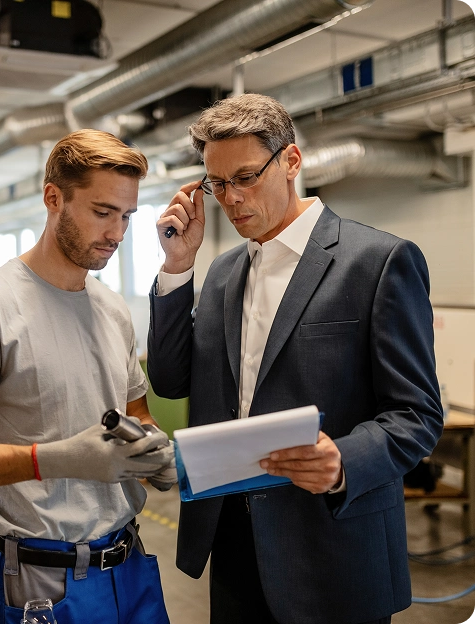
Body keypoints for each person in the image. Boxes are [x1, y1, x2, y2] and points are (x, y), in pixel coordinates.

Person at [147, 94, 444, 624]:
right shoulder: (220, 273)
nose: (231, 198)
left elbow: (417, 415)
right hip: (234, 538)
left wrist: (342, 463)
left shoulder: (377, 262)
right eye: (217, 185)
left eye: (245, 177)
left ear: (290, 160)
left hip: (331, 542)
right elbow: (170, 382)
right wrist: (177, 266)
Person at [0, 129, 176, 624]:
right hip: (42, 584)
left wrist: (153, 454)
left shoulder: (113, 310)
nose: (117, 233)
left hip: (130, 568)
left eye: (127, 216)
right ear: (53, 198)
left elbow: (138, 415)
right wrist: (54, 459)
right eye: (102, 212)